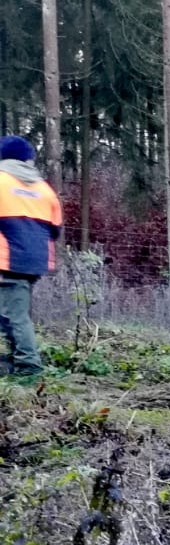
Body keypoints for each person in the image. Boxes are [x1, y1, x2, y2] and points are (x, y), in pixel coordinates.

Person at [0, 136, 63, 379]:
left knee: (14, 315)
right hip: (34, 262)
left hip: (6, 259)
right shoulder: (44, 188)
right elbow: (55, 229)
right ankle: (16, 359)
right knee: (11, 311)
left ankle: (29, 368)